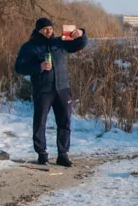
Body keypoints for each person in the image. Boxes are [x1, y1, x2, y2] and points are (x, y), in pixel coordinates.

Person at [14, 17, 88, 167]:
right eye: (45, 29)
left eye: (51, 28)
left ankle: (63, 154)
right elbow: (19, 67)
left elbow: (80, 44)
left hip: (62, 88)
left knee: (65, 121)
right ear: (39, 30)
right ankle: (42, 154)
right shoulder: (29, 47)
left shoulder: (59, 42)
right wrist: (38, 67)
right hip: (43, 89)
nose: (49, 31)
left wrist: (81, 33)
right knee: (40, 122)